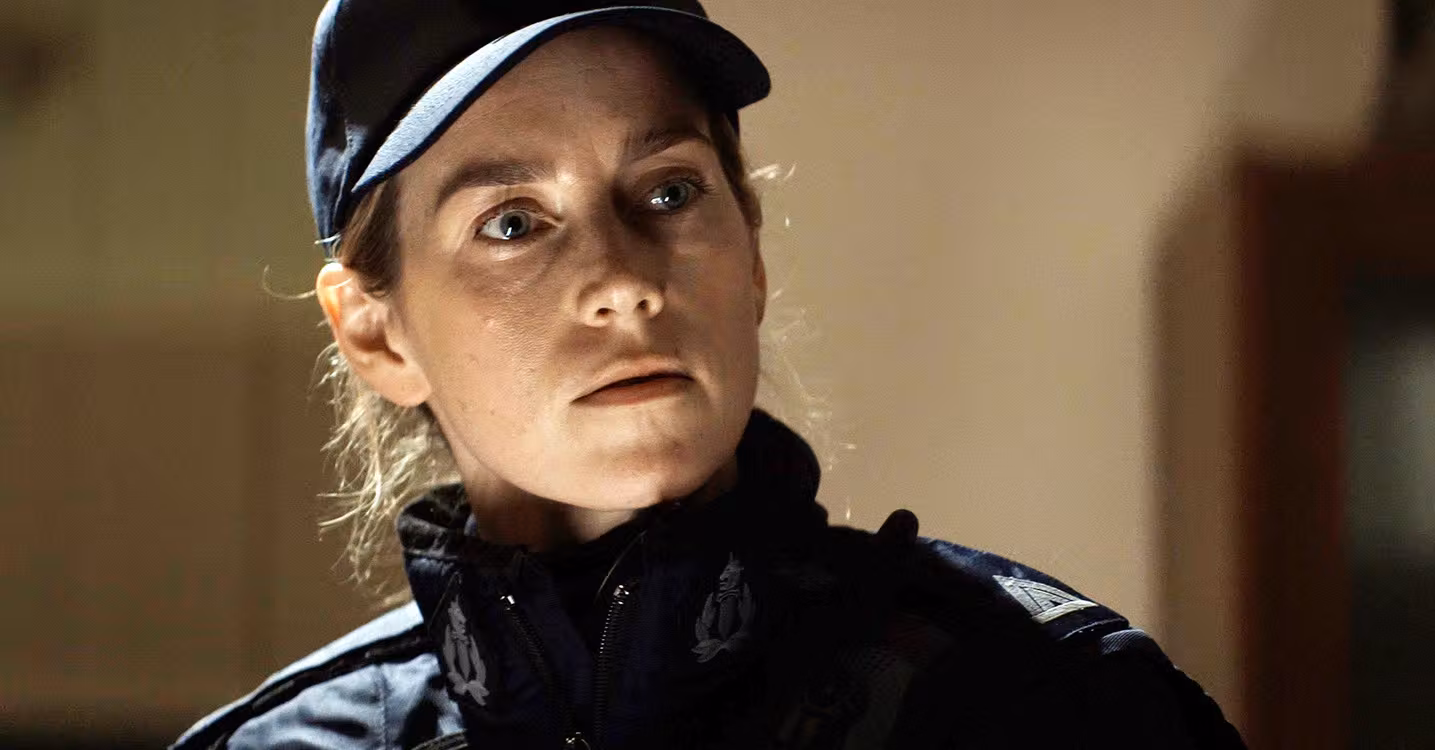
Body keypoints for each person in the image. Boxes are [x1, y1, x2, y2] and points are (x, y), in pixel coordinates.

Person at [174, 1, 1247, 748]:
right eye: (511, 222)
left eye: (670, 192)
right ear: (376, 335)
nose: (622, 282)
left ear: (754, 253)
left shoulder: (1052, 703)